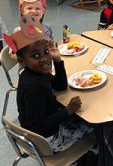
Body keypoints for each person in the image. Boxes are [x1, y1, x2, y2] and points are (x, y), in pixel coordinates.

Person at [3, 18, 95, 155]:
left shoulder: (37, 72)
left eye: (46, 52)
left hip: (47, 125)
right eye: (35, 56)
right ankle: (92, 156)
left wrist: (57, 60)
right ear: (22, 61)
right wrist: (68, 111)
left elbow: (61, 86)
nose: (44, 59)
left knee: (83, 115)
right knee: (94, 127)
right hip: (45, 140)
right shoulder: (33, 86)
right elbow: (38, 125)